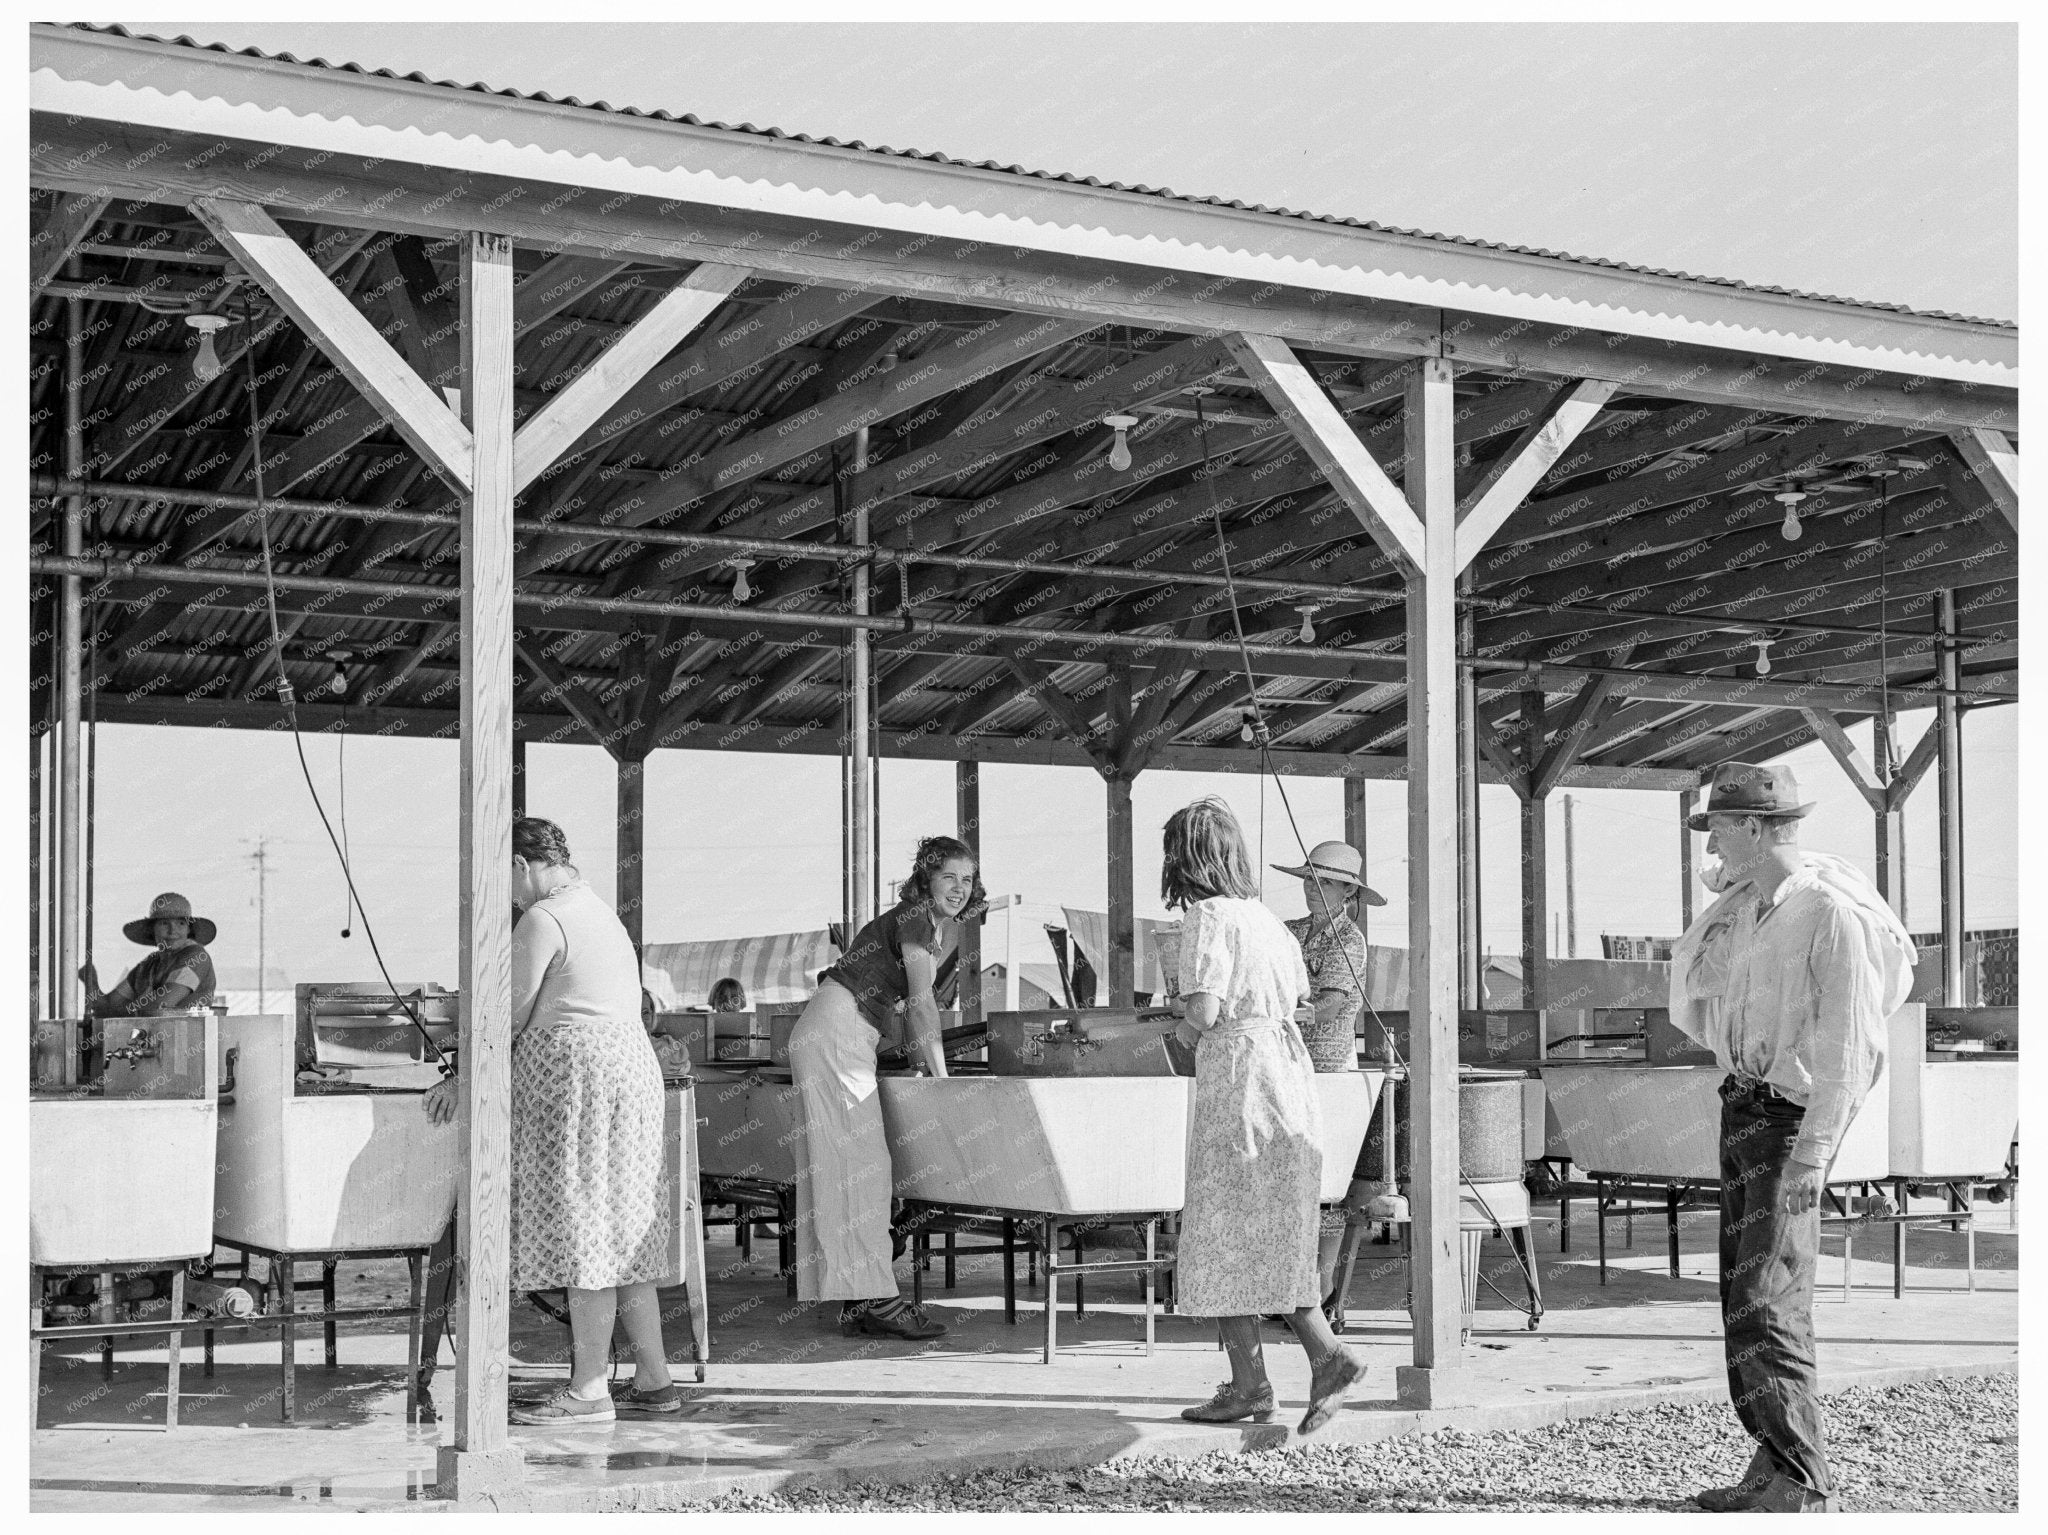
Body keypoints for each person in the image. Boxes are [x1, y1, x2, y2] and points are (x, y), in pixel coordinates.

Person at [1669, 763, 1914, 1513]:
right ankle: (1772, 1459)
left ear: (1751, 826)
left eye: (1717, 823)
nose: (1709, 836)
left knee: (1768, 1298)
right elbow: (1709, 988)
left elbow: (1851, 1050)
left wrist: (1813, 1153)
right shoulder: (1752, 908)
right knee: (1741, 1297)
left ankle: (1805, 1480)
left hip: (1786, 1122)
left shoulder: (1828, 913)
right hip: (1742, 1106)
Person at [425, 817, 678, 1423]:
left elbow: (506, 1015)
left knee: (585, 1226)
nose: (508, 894)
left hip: (584, 1083)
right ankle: (653, 1379)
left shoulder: (544, 918)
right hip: (627, 1076)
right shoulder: (597, 909)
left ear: (521, 864)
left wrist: (461, 1079)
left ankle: (589, 1390)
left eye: (504, 879)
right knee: (621, 1231)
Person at [1163, 797, 1365, 1435]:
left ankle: (1306, 1361)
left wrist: (1172, 1022)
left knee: (1223, 1228)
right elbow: (1296, 999)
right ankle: (1269, 1376)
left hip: (1241, 1079)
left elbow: (1205, 1010)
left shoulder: (1208, 915)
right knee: (1269, 1227)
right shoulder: (1269, 922)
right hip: (1289, 1076)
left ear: (1186, 858)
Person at [789, 835, 983, 1341]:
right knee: (864, 1171)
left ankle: (860, 1298)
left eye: (967, 879)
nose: (959, 889)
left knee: (845, 1171)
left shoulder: (921, 921)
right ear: (926, 877)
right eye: (949, 878)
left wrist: (925, 1062)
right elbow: (921, 1005)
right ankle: (880, 1300)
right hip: (839, 1032)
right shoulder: (918, 917)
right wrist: (941, 1079)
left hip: (836, 1031)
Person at [1271, 841, 1389, 1311]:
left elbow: (1337, 1001)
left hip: (1328, 1069)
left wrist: (1290, 1014)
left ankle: (1319, 1290)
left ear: (1347, 891)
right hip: (1284, 1065)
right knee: (1288, 1178)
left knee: (1329, 1185)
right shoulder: (1289, 931)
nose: (1312, 890)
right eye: (1307, 880)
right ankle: (1287, 1285)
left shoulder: (1350, 940)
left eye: (1324, 883)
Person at [79, 891, 218, 1016]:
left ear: (189, 929)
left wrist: (116, 1011)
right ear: (152, 929)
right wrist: (91, 982)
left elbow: (159, 1007)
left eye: (181, 923)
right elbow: (107, 1005)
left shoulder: (196, 956)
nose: (172, 931)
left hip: (186, 1038)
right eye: (164, 923)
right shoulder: (148, 965)